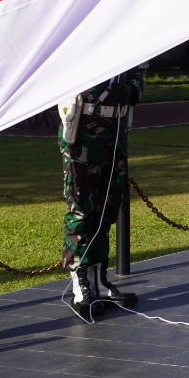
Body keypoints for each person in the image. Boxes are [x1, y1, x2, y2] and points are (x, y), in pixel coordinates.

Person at [59, 69, 143, 319]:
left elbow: (137, 77)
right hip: (83, 130)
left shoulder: (127, 42)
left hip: (115, 130)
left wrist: (130, 90)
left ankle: (98, 279)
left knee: (107, 207)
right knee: (81, 205)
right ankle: (79, 280)